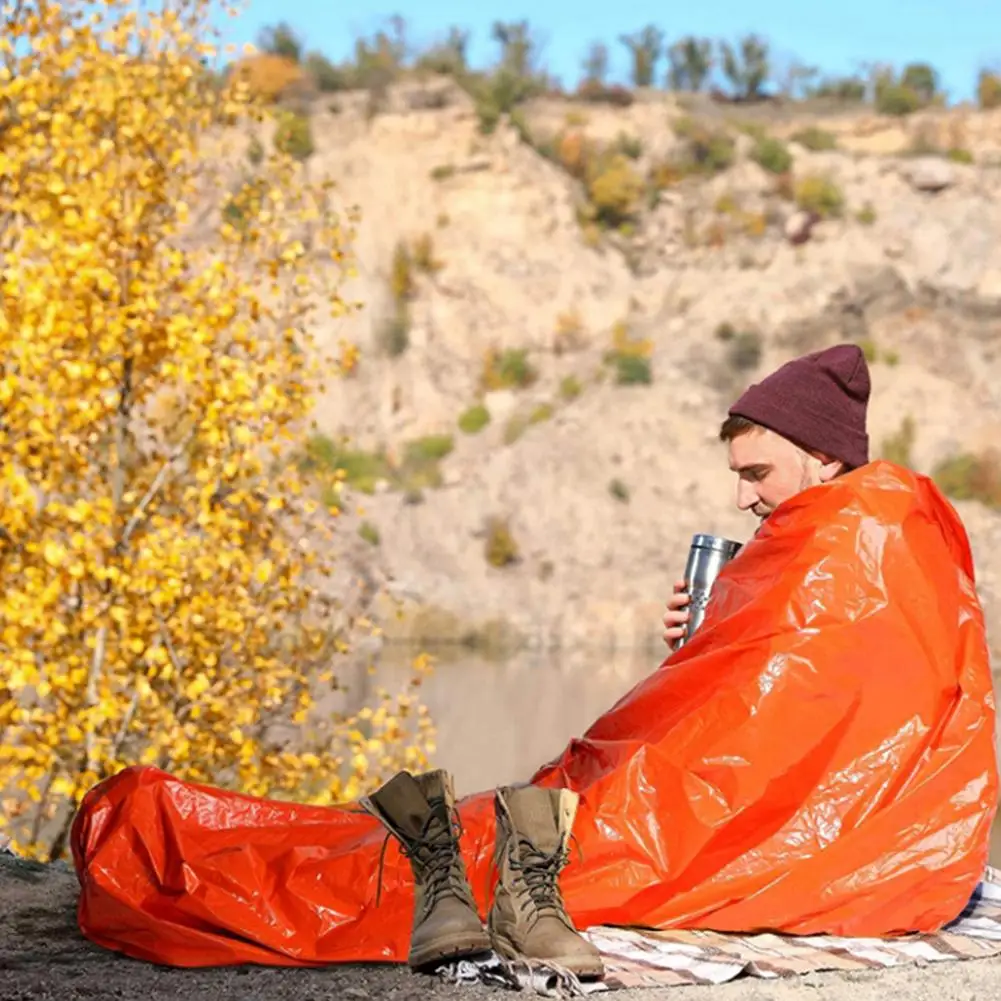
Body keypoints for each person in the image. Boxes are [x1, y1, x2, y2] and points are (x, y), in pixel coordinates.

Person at [663, 342, 871, 647]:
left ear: (827, 459)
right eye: (739, 475)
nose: (742, 499)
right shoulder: (798, 565)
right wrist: (701, 655)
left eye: (758, 473)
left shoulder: (877, 567)